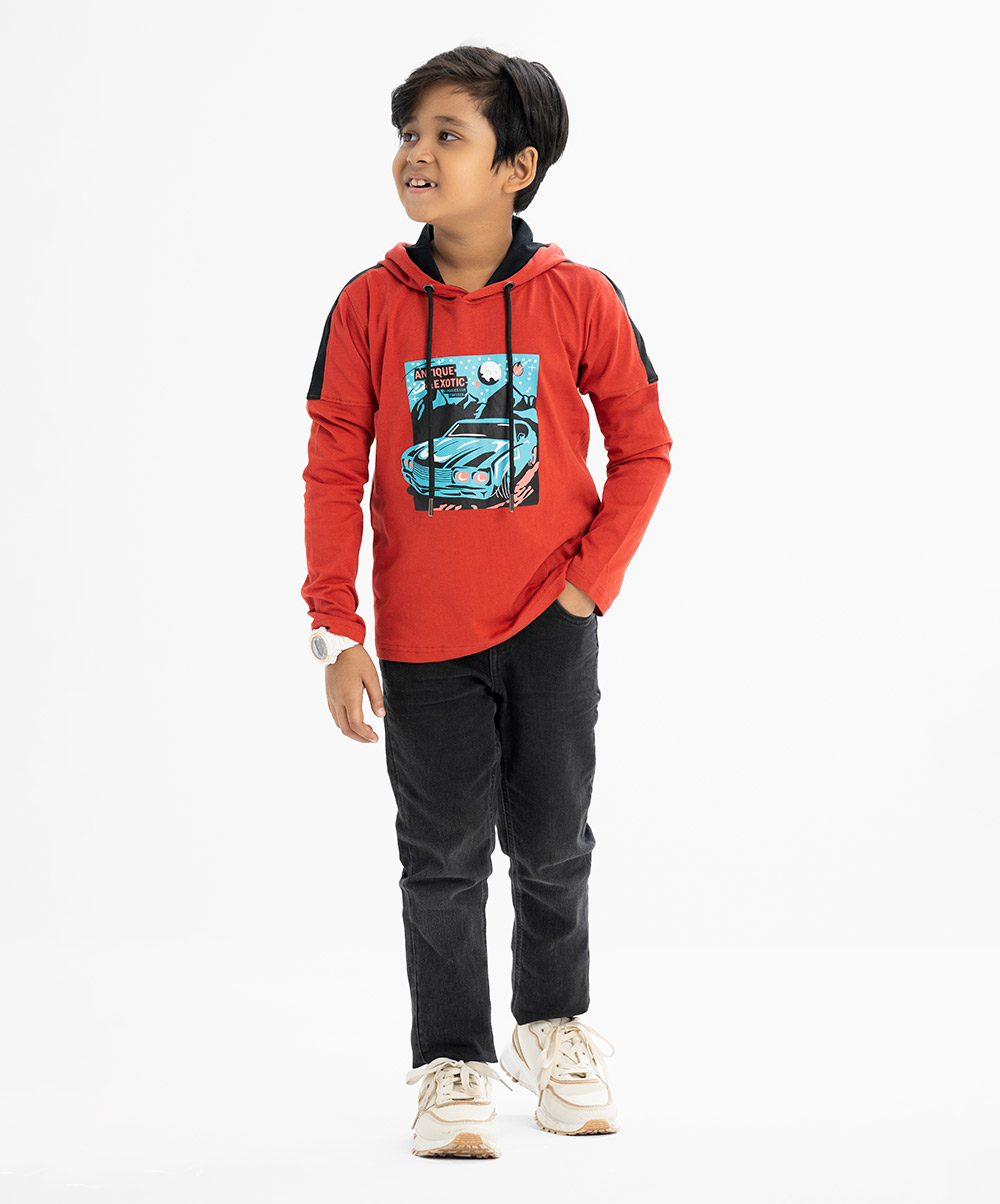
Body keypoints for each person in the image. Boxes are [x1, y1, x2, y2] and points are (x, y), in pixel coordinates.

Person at [301, 45, 672, 1159]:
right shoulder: (367, 305)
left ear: (518, 167)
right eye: (408, 134)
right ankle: (452, 1057)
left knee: (554, 842)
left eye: (446, 135)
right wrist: (336, 628)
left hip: (551, 628)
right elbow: (333, 469)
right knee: (443, 857)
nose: (416, 154)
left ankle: (552, 1028)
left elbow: (645, 449)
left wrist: (585, 588)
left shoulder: (580, 297)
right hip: (422, 642)